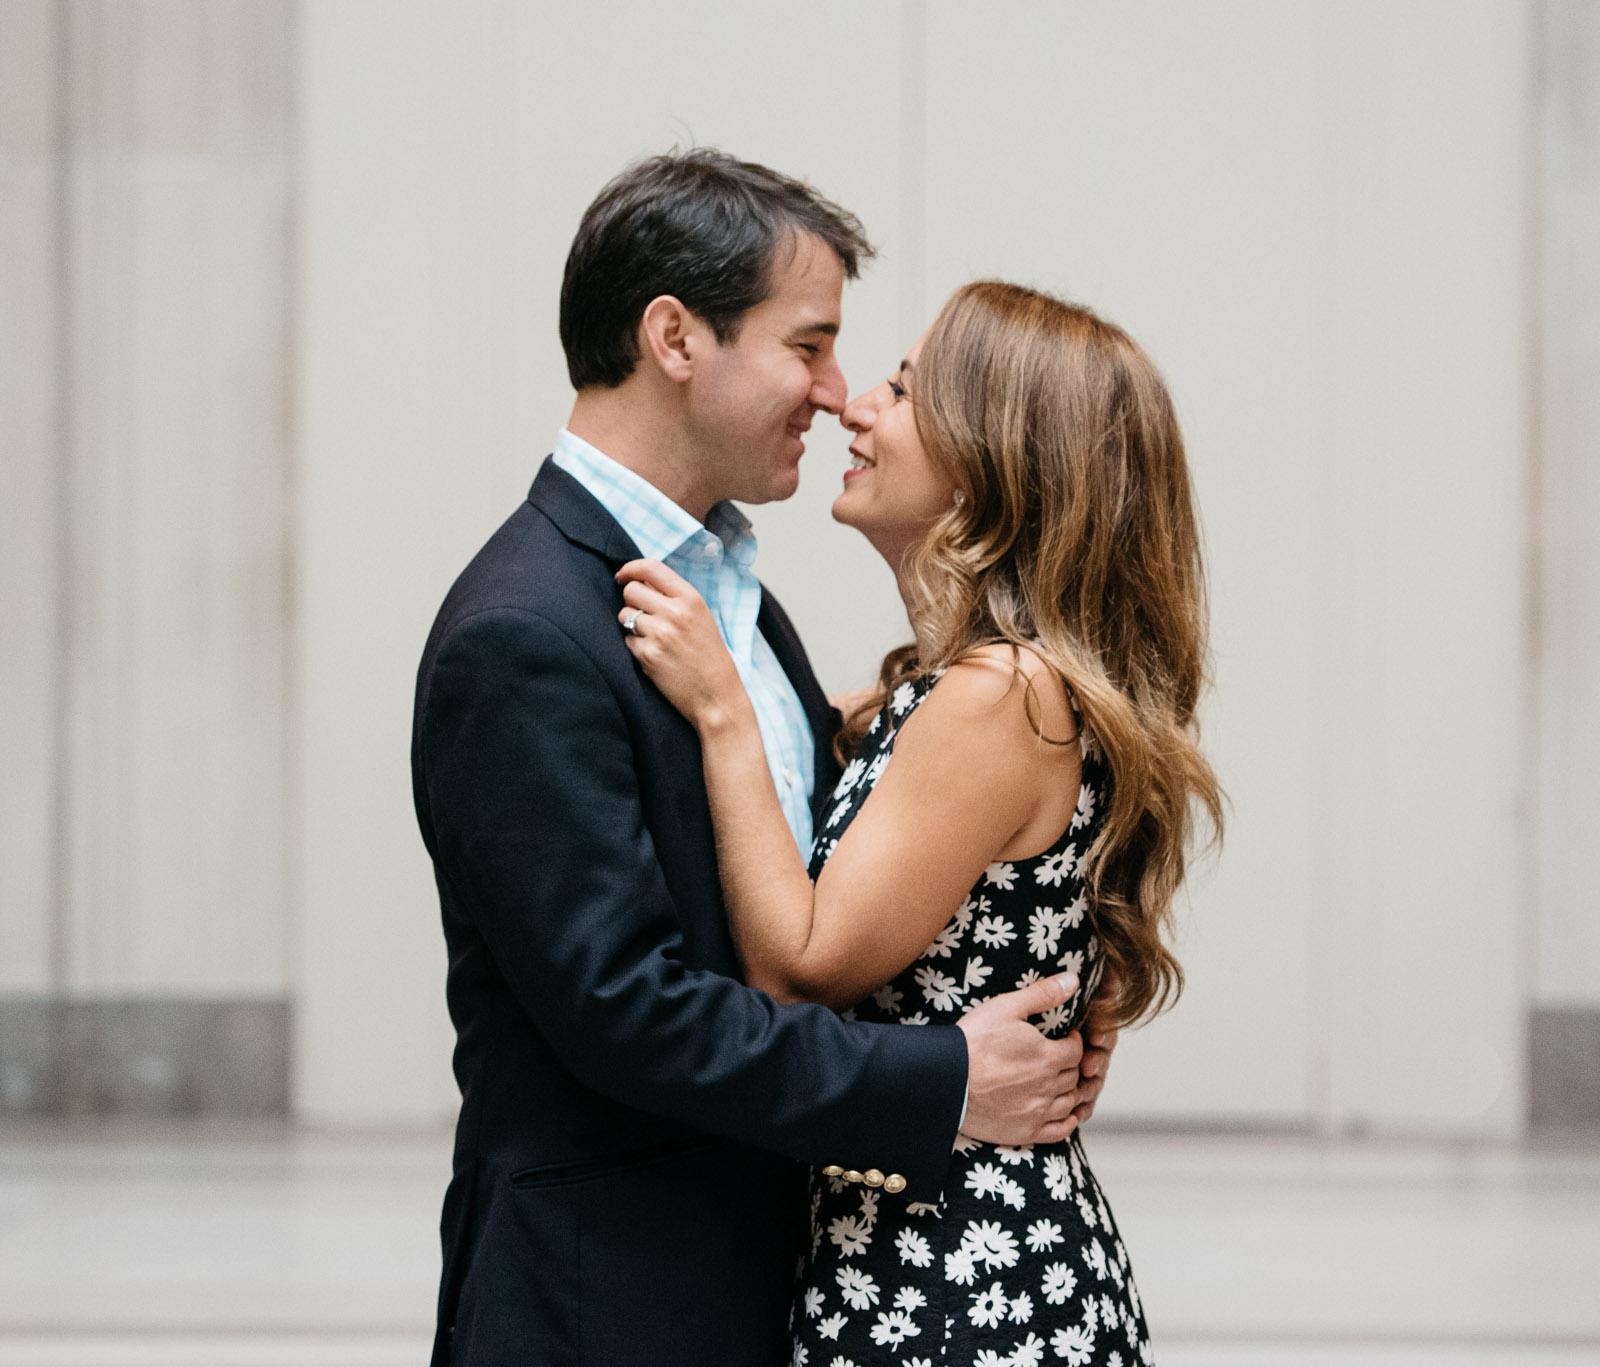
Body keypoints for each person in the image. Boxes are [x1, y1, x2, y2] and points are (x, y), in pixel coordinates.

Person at [411, 151, 1118, 1367]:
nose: (836, 392)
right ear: (675, 338)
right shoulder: (523, 633)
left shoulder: (734, 599)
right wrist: (943, 1077)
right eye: (808, 345)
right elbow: (627, 1012)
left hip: (779, 1278)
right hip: (616, 1301)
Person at [615, 279, 1224, 1366]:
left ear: (996, 458)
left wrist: (721, 713)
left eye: (901, 389)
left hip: (952, 1280)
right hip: (948, 1254)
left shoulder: (996, 698)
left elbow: (798, 965)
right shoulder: (958, 691)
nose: (855, 406)